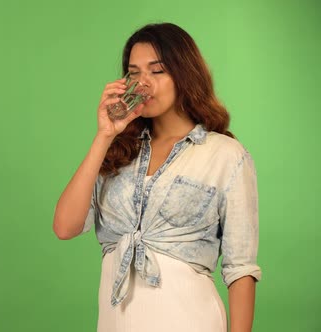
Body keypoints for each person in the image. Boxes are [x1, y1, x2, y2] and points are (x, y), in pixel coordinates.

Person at [52, 22, 261, 332]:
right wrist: (104, 136)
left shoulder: (226, 155)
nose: (143, 83)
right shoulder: (119, 152)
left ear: (184, 74)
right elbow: (65, 227)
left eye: (157, 71)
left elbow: (240, 269)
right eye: (134, 73)